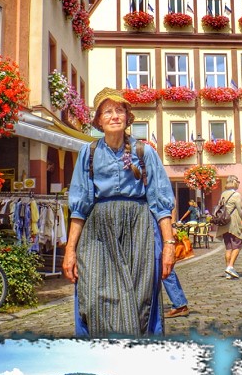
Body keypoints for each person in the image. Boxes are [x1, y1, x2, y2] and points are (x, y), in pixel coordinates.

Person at [63, 88, 177, 335]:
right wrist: (70, 250)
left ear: (127, 117)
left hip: (138, 231)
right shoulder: (89, 152)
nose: (114, 116)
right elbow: (80, 205)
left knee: (140, 296)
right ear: (99, 121)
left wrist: (168, 245)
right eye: (108, 112)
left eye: (119, 110)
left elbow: (160, 201)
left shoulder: (143, 152)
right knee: (92, 294)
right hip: (98, 233)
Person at [213, 175, 242, 279]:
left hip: (224, 224)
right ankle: (230, 267)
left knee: (228, 247)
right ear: (235, 183)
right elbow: (239, 210)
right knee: (237, 245)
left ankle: (228, 270)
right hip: (233, 223)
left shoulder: (223, 194)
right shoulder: (236, 195)